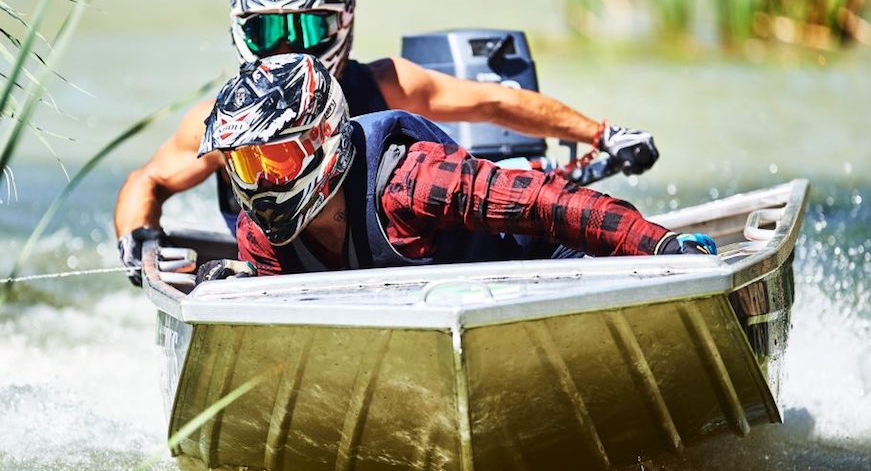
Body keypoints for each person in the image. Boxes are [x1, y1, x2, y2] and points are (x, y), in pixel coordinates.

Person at [115, 0, 661, 285]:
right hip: (289, 270)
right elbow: (150, 180)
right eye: (269, 31)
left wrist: (603, 133)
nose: (287, 49)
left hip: (409, 253)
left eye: (305, 29)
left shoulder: (394, 124)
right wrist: (141, 244)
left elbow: (493, 101)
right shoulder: (224, 122)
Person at [194, 54, 714, 281]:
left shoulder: (412, 181)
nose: (262, 182)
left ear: (324, 137)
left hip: (544, 269)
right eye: (245, 161)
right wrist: (238, 284)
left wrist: (662, 245)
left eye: (278, 156)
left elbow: (550, 202)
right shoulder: (260, 236)